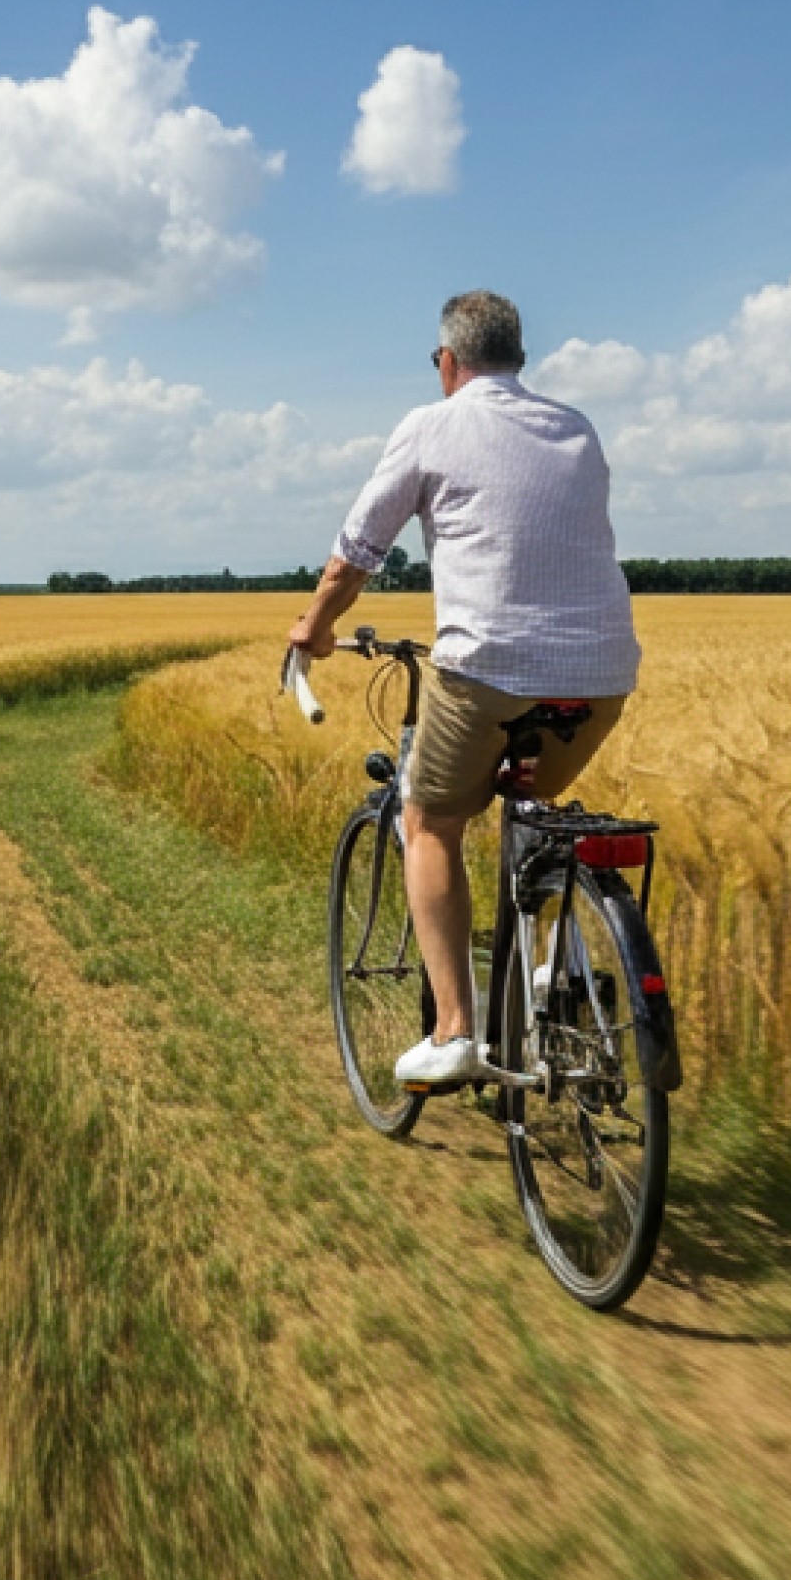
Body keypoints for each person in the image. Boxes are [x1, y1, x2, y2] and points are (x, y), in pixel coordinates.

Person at [287, 290, 641, 1093]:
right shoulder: (577, 429)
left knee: (431, 821)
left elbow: (356, 552)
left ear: (448, 362)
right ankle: (559, 974)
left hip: (485, 670)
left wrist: (314, 626)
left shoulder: (431, 424)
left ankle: (453, 1032)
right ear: (519, 360)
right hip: (602, 678)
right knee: (533, 811)